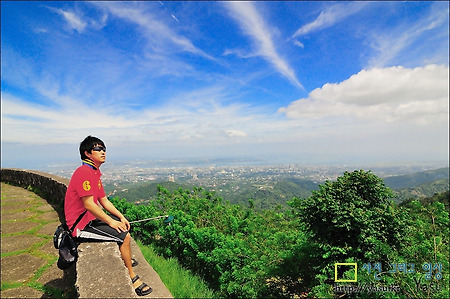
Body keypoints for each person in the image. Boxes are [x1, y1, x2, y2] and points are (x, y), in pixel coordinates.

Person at [64, 135, 152, 296]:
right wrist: (111, 222)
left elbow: (103, 200)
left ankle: (126, 260)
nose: (103, 152)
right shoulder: (84, 172)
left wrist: (121, 217)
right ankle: (132, 277)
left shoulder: (94, 173)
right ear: (87, 154)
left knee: (122, 228)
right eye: (98, 149)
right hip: (80, 226)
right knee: (124, 236)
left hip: (90, 220)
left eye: (103, 148)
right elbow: (89, 204)